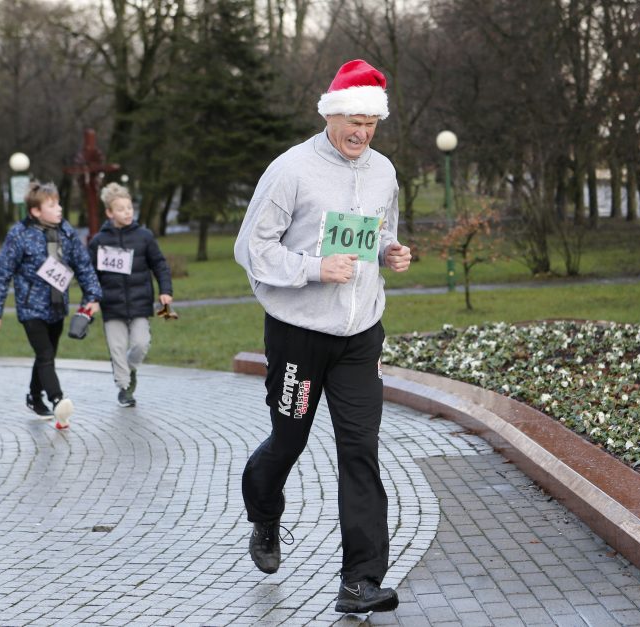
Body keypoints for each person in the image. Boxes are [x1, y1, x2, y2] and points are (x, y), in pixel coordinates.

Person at [234, 59, 412, 615]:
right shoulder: (291, 170)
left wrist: (389, 252)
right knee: (288, 441)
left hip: (361, 335)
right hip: (299, 336)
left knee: (360, 451)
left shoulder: (383, 171)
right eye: (352, 120)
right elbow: (252, 250)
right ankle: (265, 515)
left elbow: (380, 232)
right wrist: (315, 268)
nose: (361, 132)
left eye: (371, 122)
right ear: (332, 115)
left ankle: (360, 581)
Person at [0, 181, 102, 430]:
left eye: (59, 203)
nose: (59, 209)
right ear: (35, 211)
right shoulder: (19, 234)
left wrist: (92, 297)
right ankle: (58, 399)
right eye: (52, 205)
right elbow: (2, 272)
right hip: (31, 309)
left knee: (45, 355)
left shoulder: (66, 232)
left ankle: (33, 397)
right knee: (46, 355)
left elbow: (83, 266)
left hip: (57, 307)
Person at [88, 183, 173, 407]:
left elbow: (160, 265)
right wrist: (92, 299)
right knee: (116, 348)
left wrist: (165, 291)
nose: (127, 212)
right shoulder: (98, 242)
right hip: (111, 305)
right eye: (121, 208)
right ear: (109, 213)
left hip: (139, 303)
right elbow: (89, 274)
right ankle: (125, 388)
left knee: (140, 344)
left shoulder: (144, 236)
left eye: (129, 207)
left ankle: (129, 369)